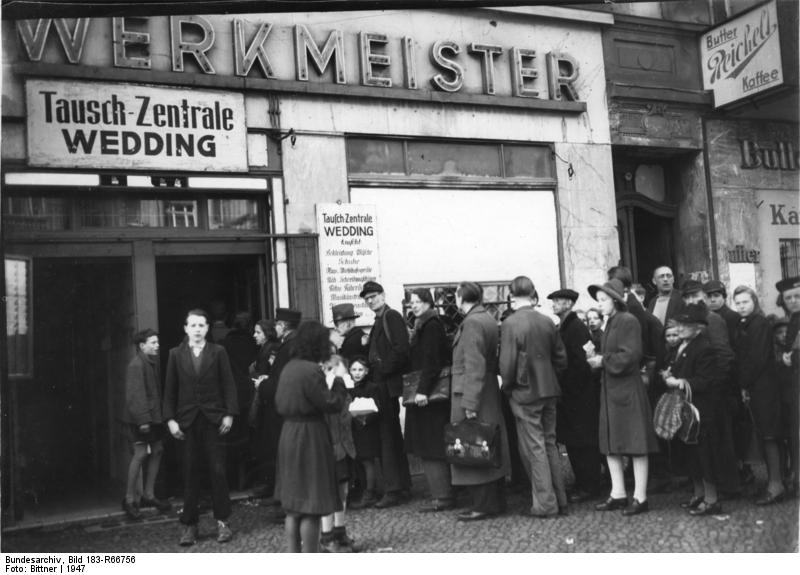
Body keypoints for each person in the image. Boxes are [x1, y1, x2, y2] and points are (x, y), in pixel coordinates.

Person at [163, 309, 238, 546]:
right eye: (192, 325)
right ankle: (189, 525)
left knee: (217, 470)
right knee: (190, 472)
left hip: (213, 421)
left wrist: (229, 414)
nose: (197, 329)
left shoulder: (218, 352)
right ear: (185, 328)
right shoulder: (175, 354)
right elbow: (169, 391)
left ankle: (223, 522)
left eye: (201, 325)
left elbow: (229, 384)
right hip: (186, 422)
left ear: (207, 329)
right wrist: (170, 420)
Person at [274, 321, 349, 553]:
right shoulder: (311, 370)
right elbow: (331, 403)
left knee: (294, 506)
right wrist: (338, 381)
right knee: (311, 506)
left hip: (288, 434)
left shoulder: (289, 367)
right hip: (310, 436)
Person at [587, 279, 659, 516]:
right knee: (611, 444)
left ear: (616, 300)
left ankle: (640, 497)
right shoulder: (611, 322)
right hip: (613, 390)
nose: (600, 304)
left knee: (636, 444)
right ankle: (618, 493)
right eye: (599, 300)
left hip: (626, 390)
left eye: (603, 300)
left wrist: (602, 361)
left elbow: (631, 355)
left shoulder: (627, 320)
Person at [500, 278, 569, 519]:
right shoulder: (547, 321)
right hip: (549, 389)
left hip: (525, 391)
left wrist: (508, 387)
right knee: (549, 444)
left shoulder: (510, 323)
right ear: (533, 294)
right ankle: (560, 498)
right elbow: (561, 359)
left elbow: (506, 365)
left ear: (511, 295)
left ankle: (545, 504)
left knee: (535, 447)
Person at [451, 281, 510, 521]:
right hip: (485, 390)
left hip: (471, 391)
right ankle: (493, 502)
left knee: (474, 446)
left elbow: (474, 365)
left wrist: (470, 404)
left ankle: (482, 505)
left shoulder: (473, 322)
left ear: (461, 297)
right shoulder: (485, 317)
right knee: (488, 443)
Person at [663, 303, 728, 516]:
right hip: (689, 410)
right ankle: (699, 494)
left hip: (702, 411)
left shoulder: (704, 347)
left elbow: (706, 381)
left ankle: (711, 499)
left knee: (705, 455)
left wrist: (678, 381)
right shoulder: (686, 346)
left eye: (685, 325)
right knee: (693, 454)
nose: (680, 328)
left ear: (699, 328)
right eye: (679, 324)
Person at [679, 280, 740, 497]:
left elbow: (724, 354)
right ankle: (711, 486)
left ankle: (729, 486)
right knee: (707, 442)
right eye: (686, 297)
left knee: (720, 439)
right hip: (700, 390)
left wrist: (717, 387)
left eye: (695, 296)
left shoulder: (712, 319)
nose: (691, 300)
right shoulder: (691, 320)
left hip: (715, 390)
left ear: (703, 296)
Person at [360, 280, 412, 508]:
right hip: (382, 384)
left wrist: (381, 369)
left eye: (373, 296)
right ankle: (401, 485)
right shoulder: (380, 320)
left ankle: (393, 489)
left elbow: (401, 349)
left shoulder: (391, 317)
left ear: (382, 295)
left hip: (386, 385)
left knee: (387, 438)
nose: (370, 301)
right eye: (367, 298)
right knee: (389, 436)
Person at [548, 288, 602, 504]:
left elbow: (582, 363)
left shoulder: (575, 328)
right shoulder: (566, 326)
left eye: (558, 301)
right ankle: (584, 482)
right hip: (573, 395)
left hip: (578, 395)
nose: (554, 304)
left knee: (583, 443)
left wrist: (568, 387)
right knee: (576, 442)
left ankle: (589, 485)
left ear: (569, 304)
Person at [732, 286, 784, 505]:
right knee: (763, 433)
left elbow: (757, 358)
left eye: (745, 302)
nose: (742, 306)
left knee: (770, 434)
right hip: (755, 386)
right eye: (738, 303)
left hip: (764, 386)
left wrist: (744, 383)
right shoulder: (746, 323)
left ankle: (776, 484)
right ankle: (773, 482)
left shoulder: (760, 324)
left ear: (754, 301)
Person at [404, 288, 455, 512]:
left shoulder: (431, 326)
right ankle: (441, 493)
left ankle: (442, 496)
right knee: (430, 444)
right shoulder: (423, 325)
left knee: (431, 445)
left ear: (428, 303)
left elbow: (432, 362)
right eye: (411, 302)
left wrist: (422, 391)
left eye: (418, 302)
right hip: (428, 393)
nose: (413, 306)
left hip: (430, 396)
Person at [122, 328, 170, 520]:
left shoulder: (150, 363)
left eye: (157, 342)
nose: (157, 346)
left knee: (157, 450)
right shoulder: (136, 365)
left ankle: (148, 495)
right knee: (141, 454)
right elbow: (135, 396)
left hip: (153, 418)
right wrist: (143, 421)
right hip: (141, 420)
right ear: (142, 346)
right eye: (153, 343)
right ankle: (129, 499)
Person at [255, 308, 301, 507]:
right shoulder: (294, 344)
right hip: (292, 409)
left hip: (285, 411)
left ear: (283, 326)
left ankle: (288, 503)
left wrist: (262, 384)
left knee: (287, 457)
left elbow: (280, 382)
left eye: (277, 325)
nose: (276, 328)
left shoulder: (287, 347)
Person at [319, 355, 358, 553]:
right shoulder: (323, 391)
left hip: (344, 446)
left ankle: (339, 531)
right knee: (329, 492)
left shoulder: (343, 389)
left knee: (343, 490)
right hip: (330, 448)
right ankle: (327, 536)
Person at [221, 312, 258, 490]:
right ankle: (242, 481)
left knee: (229, 439)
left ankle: (230, 481)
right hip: (248, 391)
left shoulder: (226, 343)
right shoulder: (252, 343)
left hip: (230, 393)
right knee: (246, 437)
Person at [775, 276, 800, 497]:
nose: (793, 301)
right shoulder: (792, 320)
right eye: (788, 298)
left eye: (797, 296)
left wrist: (792, 358)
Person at [347, 356, 382, 509]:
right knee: (359, 460)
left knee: (368, 461)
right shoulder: (349, 388)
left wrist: (364, 419)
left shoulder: (372, 387)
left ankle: (370, 493)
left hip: (367, 428)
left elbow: (376, 407)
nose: (357, 373)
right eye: (354, 370)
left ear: (366, 371)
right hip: (354, 428)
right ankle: (364, 490)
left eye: (360, 370)